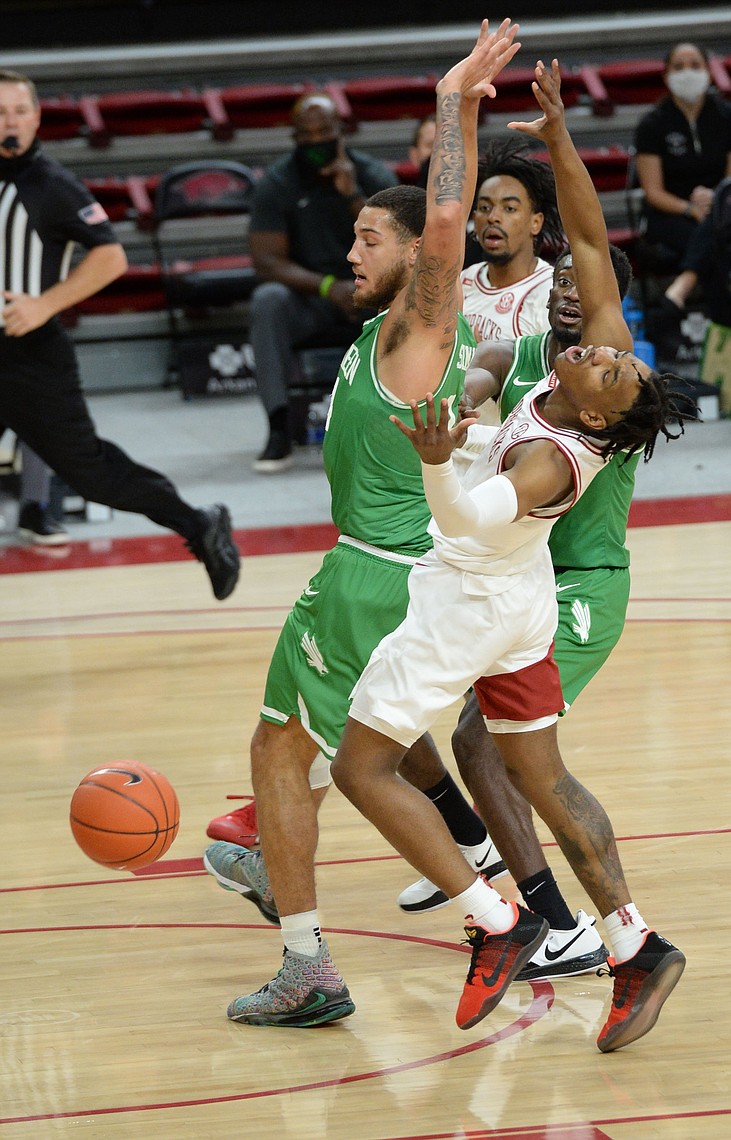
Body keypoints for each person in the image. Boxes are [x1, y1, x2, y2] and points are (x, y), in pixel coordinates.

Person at [330, 59, 691, 1053]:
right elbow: (581, 243)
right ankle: (616, 938)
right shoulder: (567, 352)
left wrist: (443, 458)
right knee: (485, 751)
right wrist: (561, 133)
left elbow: (480, 511)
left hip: (563, 582)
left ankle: (534, 918)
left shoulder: (570, 439)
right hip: (519, 580)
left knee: (470, 749)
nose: (593, 334)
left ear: (611, 400)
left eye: (609, 353)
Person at [203, 20, 522, 1028]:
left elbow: (442, 222)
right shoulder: (411, 338)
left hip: (372, 575)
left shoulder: (418, 321)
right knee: (337, 755)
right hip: (389, 571)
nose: (350, 252)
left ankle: (368, 947)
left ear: (412, 259)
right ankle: (507, 896)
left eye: (365, 239)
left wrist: (449, 104)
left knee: (295, 758)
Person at [396, 242, 637, 988]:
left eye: (582, 282)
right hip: (513, 577)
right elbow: (481, 375)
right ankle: (477, 851)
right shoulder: (524, 352)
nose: (569, 290)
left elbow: (473, 512)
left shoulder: (613, 374)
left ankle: (562, 925)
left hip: (580, 586)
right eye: (557, 279)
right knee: (399, 711)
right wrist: (464, 403)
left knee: (486, 744)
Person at [0, 71, 239, 599]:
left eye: (19, 111)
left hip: (29, 357)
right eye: (0, 112)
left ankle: (198, 523)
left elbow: (110, 258)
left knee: (91, 474)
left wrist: (45, 304)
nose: (10, 122)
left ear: (37, 117)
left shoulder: (52, 185)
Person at [248, 90, 398, 473]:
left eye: (324, 132)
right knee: (268, 300)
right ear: (294, 137)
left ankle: (396, 427)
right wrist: (329, 287)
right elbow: (266, 261)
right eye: (306, 134)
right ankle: (278, 428)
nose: (316, 142)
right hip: (315, 295)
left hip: (375, 292)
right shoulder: (278, 183)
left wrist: (353, 197)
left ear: (341, 131)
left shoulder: (373, 176)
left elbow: (400, 245)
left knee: (410, 295)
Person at [633, 43, 731, 323]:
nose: (687, 72)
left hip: (721, 208)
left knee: (715, 232)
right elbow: (653, 192)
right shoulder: (652, 124)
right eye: (679, 67)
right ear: (666, 75)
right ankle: (729, 332)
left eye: (695, 65)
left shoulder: (730, 118)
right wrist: (689, 208)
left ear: (708, 72)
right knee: (715, 247)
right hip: (670, 214)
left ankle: (682, 286)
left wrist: (713, 202)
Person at [461, 136, 562, 345]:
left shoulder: (550, 293)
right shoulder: (462, 282)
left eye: (509, 208)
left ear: (536, 222)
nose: (493, 217)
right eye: (484, 207)